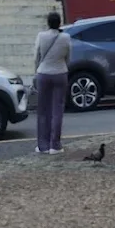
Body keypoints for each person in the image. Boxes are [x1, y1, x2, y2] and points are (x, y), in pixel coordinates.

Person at [34, 9, 71, 154]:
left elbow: (36, 56)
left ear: (48, 23)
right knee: (57, 110)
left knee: (43, 110)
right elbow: (69, 57)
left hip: (43, 73)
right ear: (59, 23)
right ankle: (54, 145)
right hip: (60, 73)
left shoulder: (41, 36)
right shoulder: (66, 37)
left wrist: (36, 71)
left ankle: (42, 145)